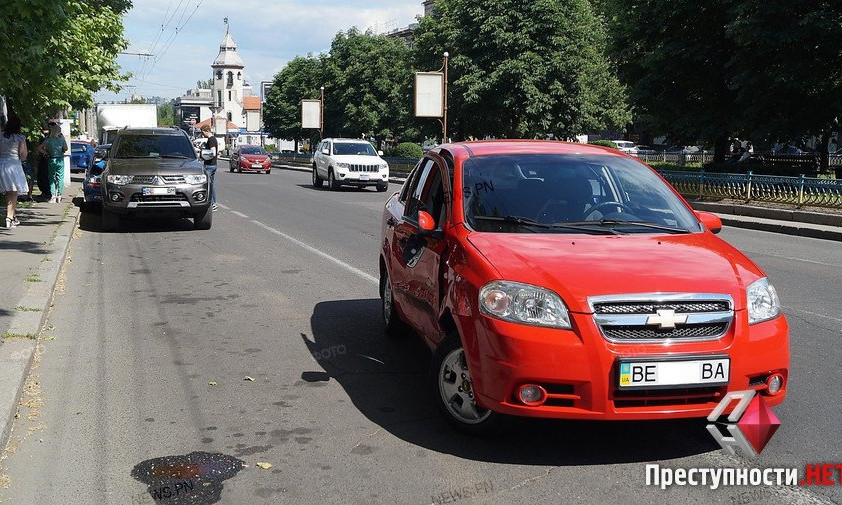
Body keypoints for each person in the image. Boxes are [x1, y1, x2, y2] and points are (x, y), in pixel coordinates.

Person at [0, 116, 29, 229]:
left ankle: (12, 216)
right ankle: (9, 218)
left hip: (1, 164)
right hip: (14, 166)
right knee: (14, 192)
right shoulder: (20, 138)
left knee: (8, 192)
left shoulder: (1, 136)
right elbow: (22, 154)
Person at [39, 122, 67, 203]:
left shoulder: (47, 140)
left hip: (51, 160)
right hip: (60, 160)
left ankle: (53, 196)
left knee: (51, 178)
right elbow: (65, 148)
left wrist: (46, 152)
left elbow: (39, 148)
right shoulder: (62, 140)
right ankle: (59, 196)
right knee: (60, 178)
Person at [200, 124, 218, 211]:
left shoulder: (211, 140)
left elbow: (213, 152)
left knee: (209, 185)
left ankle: (213, 203)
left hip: (210, 165)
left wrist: (204, 155)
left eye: (202, 132)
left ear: (206, 130)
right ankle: (213, 203)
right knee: (211, 184)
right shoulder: (211, 139)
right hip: (212, 165)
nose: (202, 134)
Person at [36, 126, 52, 200]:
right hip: (44, 158)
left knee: (45, 175)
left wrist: (45, 153)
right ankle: (45, 192)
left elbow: (39, 148)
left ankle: (47, 192)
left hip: (47, 158)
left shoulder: (49, 138)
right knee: (42, 176)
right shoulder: (46, 137)